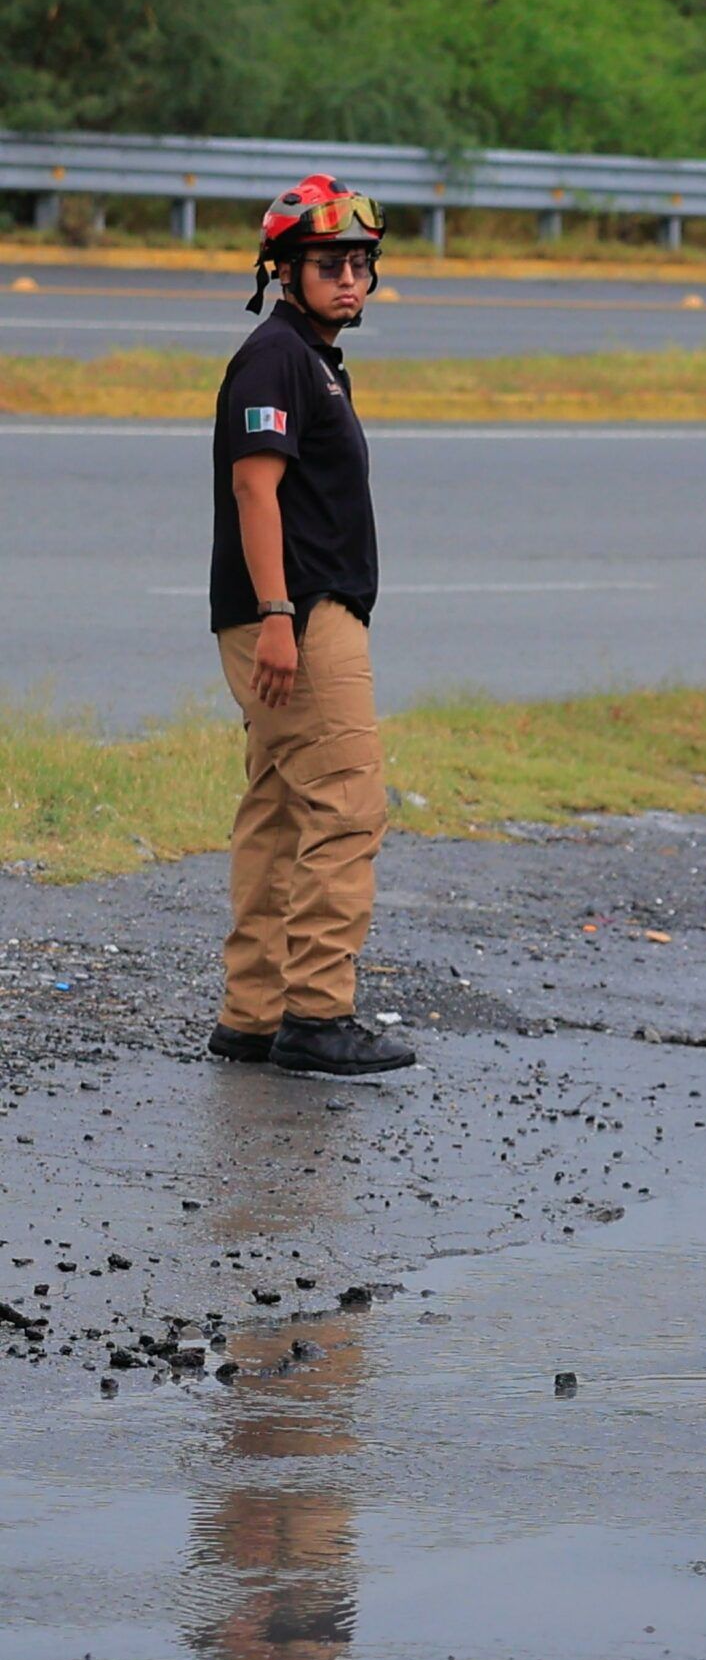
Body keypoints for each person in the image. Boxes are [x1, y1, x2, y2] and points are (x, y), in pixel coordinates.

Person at [204, 174, 416, 1079]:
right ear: (284, 268)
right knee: (346, 804)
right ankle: (318, 1013)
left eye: (362, 264)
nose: (351, 280)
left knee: (282, 811)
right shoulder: (276, 357)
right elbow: (257, 486)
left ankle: (252, 1014)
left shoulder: (313, 356)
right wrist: (282, 614)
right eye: (330, 264)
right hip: (298, 614)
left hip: (296, 612)